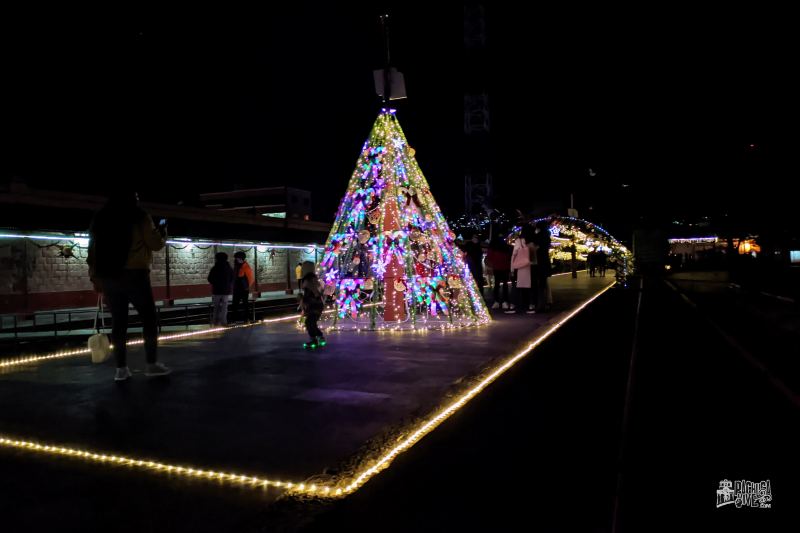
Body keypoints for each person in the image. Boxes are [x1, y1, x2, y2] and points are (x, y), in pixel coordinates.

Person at [87, 190, 171, 382]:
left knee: (119, 322)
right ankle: (151, 365)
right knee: (149, 318)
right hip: (135, 275)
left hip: (108, 277)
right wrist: (163, 232)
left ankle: (121, 369)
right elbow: (155, 243)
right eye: (136, 197)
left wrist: (96, 279)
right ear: (132, 199)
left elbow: (92, 250)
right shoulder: (139, 216)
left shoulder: (100, 218)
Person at [505, 226, 537, 315]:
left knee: (516, 287)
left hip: (521, 267)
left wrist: (512, 268)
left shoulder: (519, 241)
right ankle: (531, 306)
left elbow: (514, 254)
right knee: (531, 287)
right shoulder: (533, 241)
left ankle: (513, 306)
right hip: (531, 266)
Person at [300, 272, 325, 349]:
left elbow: (312, 298)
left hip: (315, 307)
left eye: (303, 282)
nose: (302, 284)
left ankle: (315, 340)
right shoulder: (313, 286)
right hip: (316, 307)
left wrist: (303, 300)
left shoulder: (310, 287)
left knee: (309, 323)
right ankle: (320, 337)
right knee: (311, 323)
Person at [208, 252, 234, 326]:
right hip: (226, 291)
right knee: (224, 307)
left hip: (216, 291)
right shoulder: (229, 268)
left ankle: (215, 321)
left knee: (216, 307)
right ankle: (223, 321)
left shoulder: (214, 268)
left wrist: (216, 283)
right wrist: (228, 284)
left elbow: (209, 279)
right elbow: (232, 278)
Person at [486, 236, 512, 310]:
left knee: (497, 285)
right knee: (505, 285)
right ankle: (505, 301)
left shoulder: (492, 248)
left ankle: (496, 301)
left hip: (496, 267)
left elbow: (489, 257)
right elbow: (509, 257)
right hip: (505, 267)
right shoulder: (506, 247)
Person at [533, 221, 552, 312]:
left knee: (539, 285)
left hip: (538, 261)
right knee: (544, 283)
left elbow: (535, 248)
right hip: (545, 261)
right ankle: (547, 303)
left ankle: (540, 305)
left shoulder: (538, 236)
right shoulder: (547, 237)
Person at [232, 251, 255, 323]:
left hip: (244, 289)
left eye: (237, 258)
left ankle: (246, 318)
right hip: (237, 288)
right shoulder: (236, 266)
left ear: (241, 258)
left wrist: (247, 287)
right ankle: (235, 319)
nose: (236, 260)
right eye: (236, 258)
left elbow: (251, 278)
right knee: (235, 304)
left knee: (244, 304)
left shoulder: (246, 267)